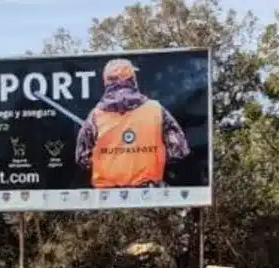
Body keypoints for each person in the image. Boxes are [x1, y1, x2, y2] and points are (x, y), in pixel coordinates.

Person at [74, 57, 191, 189]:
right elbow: (179, 150)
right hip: (149, 193)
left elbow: (82, 159)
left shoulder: (95, 116)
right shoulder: (156, 110)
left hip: (107, 196)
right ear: (133, 80)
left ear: (106, 82)